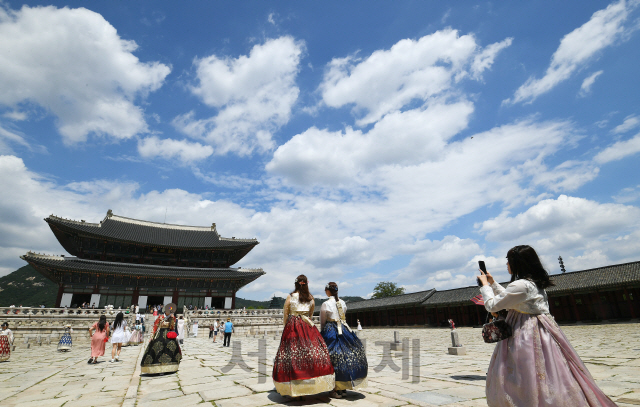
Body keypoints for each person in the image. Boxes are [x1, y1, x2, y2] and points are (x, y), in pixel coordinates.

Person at [478, 245, 616, 407]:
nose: (506, 264)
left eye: (508, 261)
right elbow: (512, 298)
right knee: (550, 371)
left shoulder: (521, 285)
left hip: (524, 334)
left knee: (525, 374)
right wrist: (493, 284)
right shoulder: (533, 284)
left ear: (517, 263)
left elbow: (493, 305)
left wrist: (485, 286)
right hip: (541, 331)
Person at [273, 275, 334, 398]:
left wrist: (287, 326)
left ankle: (294, 387)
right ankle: (310, 383)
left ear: (296, 284)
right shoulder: (311, 298)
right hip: (307, 325)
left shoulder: (291, 296)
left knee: (292, 355)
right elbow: (310, 314)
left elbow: (286, 313)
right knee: (311, 353)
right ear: (307, 284)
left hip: (293, 326)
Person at [321, 282, 368, 398]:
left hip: (331, 330)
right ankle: (344, 386)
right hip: (344, 330)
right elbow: (343, 317)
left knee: (332, 356)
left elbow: (323, 321)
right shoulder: (342, 303)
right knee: (346, 356)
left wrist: (322, 333)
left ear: (328, 291)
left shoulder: (326, 304)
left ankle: (335, 388)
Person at [141, 303, 181, 374]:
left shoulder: (173, 318)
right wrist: (152, 336)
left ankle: (169, 367)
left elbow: (172, 328)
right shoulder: (160, 317)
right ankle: (156, 367)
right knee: (158, 348)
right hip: (160, 334)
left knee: (172, 347)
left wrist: (172, 319)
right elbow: (155, 327)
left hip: (168, 334)